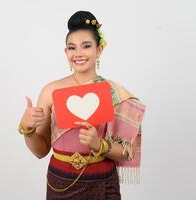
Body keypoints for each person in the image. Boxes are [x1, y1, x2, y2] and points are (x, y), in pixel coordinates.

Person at [18, 10, 146, 200]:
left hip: (103, 181)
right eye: (72, 47)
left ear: (99, 49)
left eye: (86, 46)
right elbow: (41, 151)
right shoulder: (50, 91)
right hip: (61, 182)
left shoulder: (115, 93)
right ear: (65, 52)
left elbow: (128, 153)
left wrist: (99, 145)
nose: (78, 53)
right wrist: (27, 128)